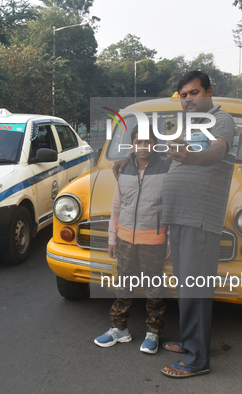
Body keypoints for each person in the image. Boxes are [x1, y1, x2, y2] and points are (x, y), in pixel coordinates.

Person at [113, 70, 236, 377]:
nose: (188, 99)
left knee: (195, 289)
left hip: (199, 218)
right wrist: (130, 159)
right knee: (185, 287)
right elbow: (164, 158)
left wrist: (192, 158)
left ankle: (197, 360)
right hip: (179, 217)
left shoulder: (220, 121)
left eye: (194, 93)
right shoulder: (189, 128)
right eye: (183, 95)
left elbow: (218, 150)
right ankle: (189, 342)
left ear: (208, 92)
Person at [94, 125, 171, 354]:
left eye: (148, 142)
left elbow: (170, 208)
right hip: (125, 239)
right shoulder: (124, 170)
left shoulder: (166, 169)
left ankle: (153, 332)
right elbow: (117, 206)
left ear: (154, 144)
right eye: (139, 142)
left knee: (153, 289)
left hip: (153, 240)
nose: (143, 147)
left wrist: (169, 241)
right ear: (133, 145)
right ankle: (119, 329)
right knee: (123, 285)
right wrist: (112, 239)